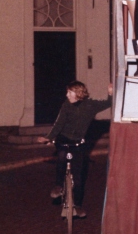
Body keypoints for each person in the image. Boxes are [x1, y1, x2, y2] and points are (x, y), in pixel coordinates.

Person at [38, 81, 113, 218]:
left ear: (78, 93)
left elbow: (108, 103)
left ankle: (77, 205)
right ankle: (58, 186)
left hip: (78, 143)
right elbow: (58, 124)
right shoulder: (66, 105)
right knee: (61, 158)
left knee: (78, 177)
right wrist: (48, 137)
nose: (67, 95)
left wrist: (110, 93)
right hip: (63, 140)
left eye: (69, 92)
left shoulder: (90, 105)